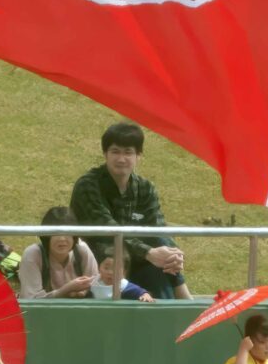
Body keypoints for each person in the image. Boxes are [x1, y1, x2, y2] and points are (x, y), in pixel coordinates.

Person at [71, 120, 187, 297]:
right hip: (99, 265)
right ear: (105, 154)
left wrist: (174, 255)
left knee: (162, 249)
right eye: (115, 152)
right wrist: (148, 252)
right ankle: (185, 298)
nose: (121, 159)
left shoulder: (145, 188)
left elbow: (158, 229)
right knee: (153, 256)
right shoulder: (88, 185)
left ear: (138, 156)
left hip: (135, 262)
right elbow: (109, 230)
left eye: (128, 152)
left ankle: (183, 304)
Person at [17, 206, 105, 300]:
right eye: (56, 233)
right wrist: (65, 290)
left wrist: (84, 291)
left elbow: (96, 284)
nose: (62, 239)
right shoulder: (33, 254)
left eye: (67, 233)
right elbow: (31, 300)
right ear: (46, 235)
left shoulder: (82, 250)